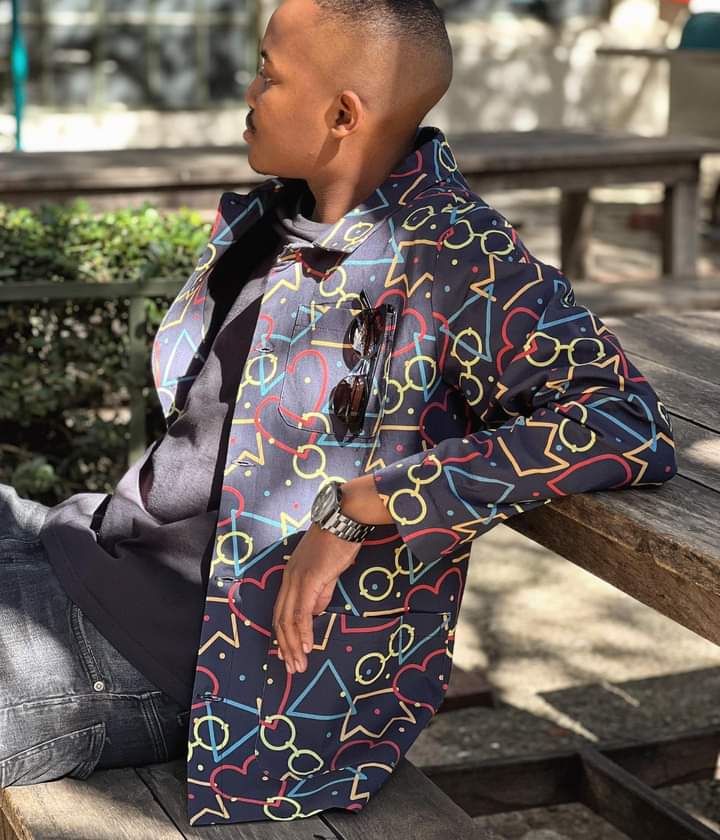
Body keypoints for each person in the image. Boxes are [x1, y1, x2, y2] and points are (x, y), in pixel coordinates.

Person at [0, 0, 677, 826]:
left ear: (342, 114)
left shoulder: (456, 254)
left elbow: (623, 420)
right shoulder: (281, 216)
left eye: (269, 73)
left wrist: (369, 501)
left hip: (200, 657)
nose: (249, 91)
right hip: (86, 547)